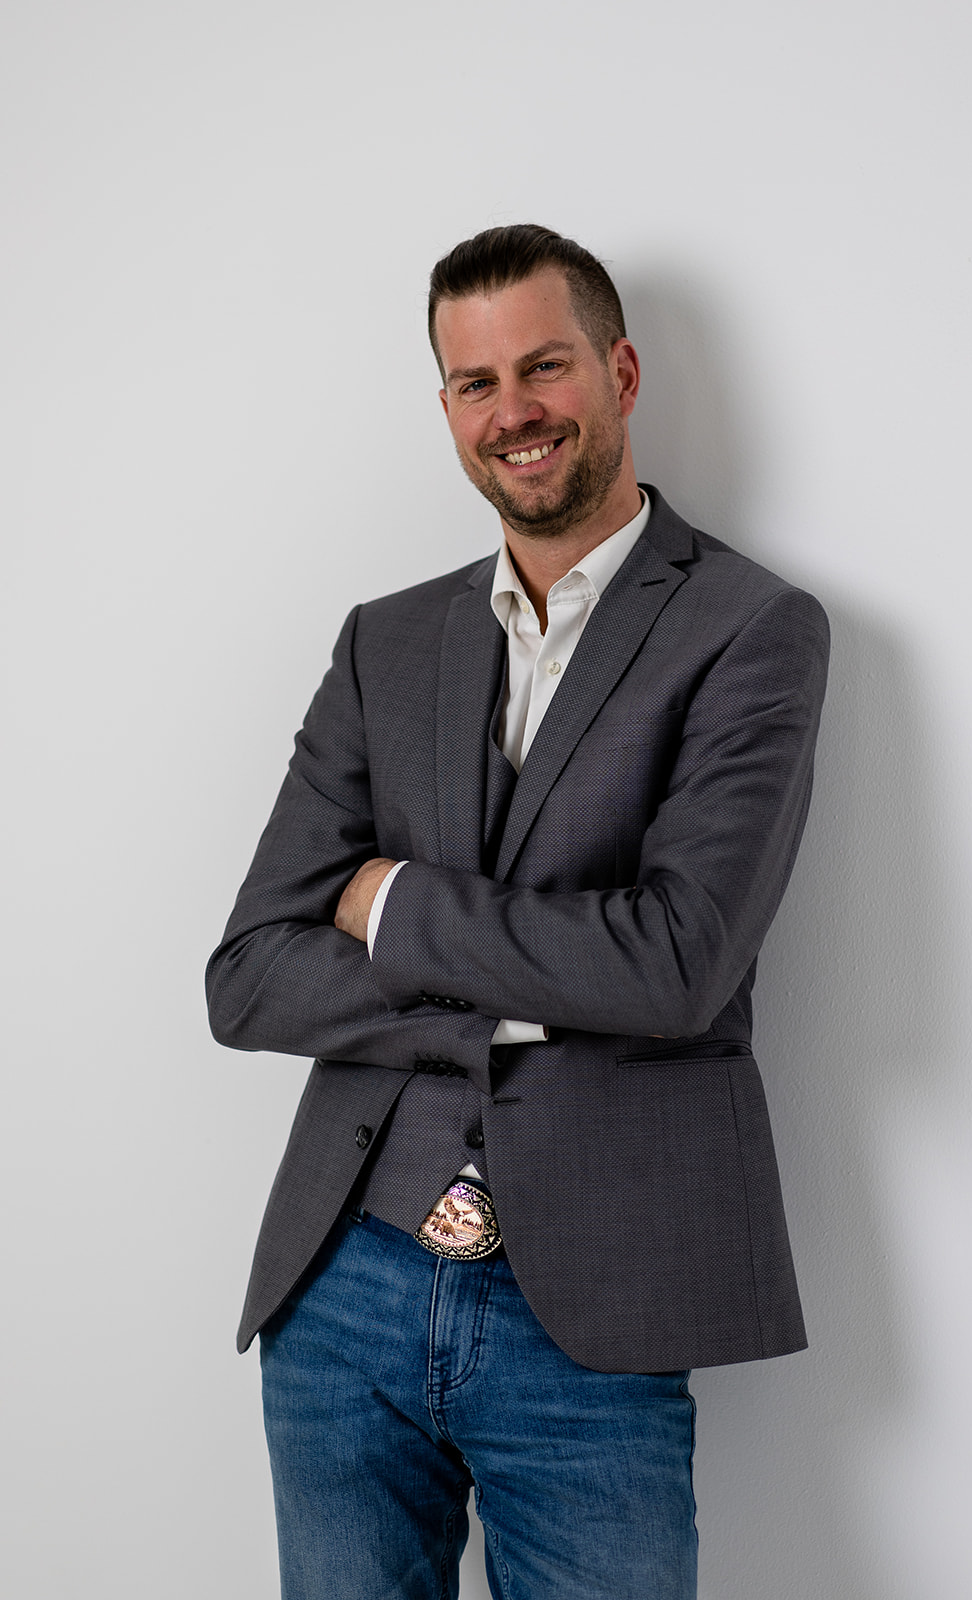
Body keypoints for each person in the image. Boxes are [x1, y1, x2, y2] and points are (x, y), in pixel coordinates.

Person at [207, 223, 830, 1600]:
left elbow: (676, 965)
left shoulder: (751, 627)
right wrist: (532, 986)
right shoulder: (386, 641)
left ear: (619, 373)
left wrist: (394, 902)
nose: (514, 412)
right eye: (475, 382)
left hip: (600, 1311)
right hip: (345, 1282)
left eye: (544, 367)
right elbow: (248, 977)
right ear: (446, 407)